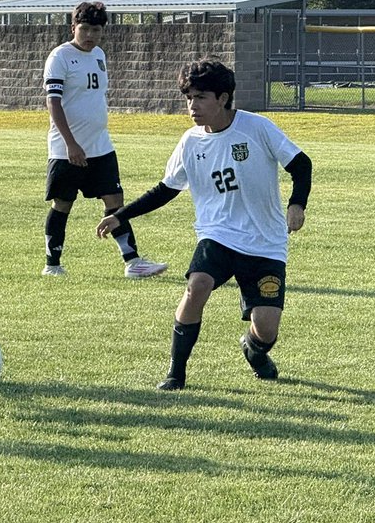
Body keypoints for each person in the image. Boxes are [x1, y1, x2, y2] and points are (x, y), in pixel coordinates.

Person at [96, 59, 313, 391]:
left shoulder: (257, 128)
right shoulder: (190, 141)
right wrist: (120, 215)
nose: (192, 106)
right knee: (197, 285)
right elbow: (166, 189)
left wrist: (297, 203)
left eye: (200, 98)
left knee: (266, 329)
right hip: (218, 234)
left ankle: (254, 349)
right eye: (188, 98)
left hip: (265, 241)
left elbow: (301, 164)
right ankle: (175, 374)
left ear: (223, 98)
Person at [42, 0, 168, 279]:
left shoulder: (99, 54)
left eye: (96, 30)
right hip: (67, 149)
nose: (90, 36)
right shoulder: (60, 57)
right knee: (63, 204)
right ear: (73, 27)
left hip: (100, 145)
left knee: (116, 201)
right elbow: (53, 103)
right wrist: (71, 144)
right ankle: (52, 264)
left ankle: (133, 261)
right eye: (84, 29)